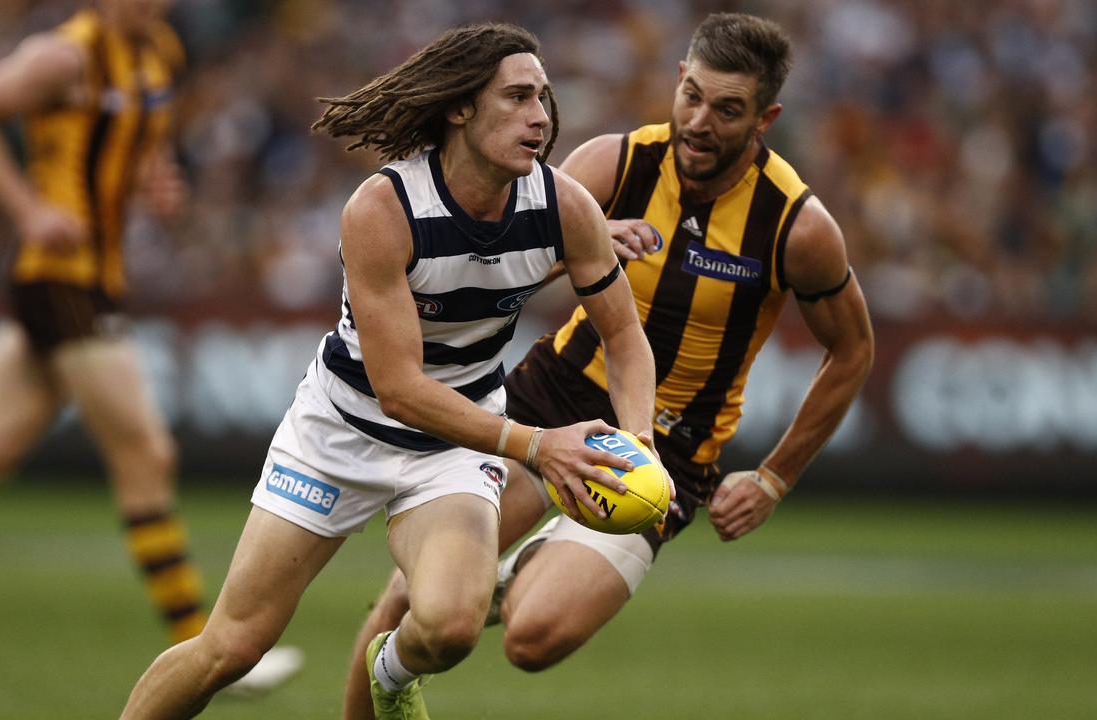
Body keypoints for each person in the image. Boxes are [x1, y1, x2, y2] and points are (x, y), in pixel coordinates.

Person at [119, 21, 659, 720]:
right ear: (460, 107)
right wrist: (537, 444)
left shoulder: (564, 207)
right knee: (233, 646)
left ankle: (391, 670)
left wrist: (639, 441)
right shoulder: (383, 208)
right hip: (338, 435)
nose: (541, 118)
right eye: (519, 97)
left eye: (545, 100)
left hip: (455, 447)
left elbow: (624, 337)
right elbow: (400, 391)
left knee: (452, 628)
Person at [343, 12, 874, 718]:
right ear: (678, 81)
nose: (700, 121)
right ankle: (415, 647)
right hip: (549, 398)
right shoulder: (614, 164)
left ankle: (493, 583)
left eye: (728, 110)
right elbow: (503, 253)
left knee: (532, 638)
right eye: (692, 96)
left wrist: (775, 477)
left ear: (765, 117)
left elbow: (854, 350)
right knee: (404, 602)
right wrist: (573, 247)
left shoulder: (796, 226)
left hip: (669, 448)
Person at [0, 0, 300, 695]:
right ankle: (201, 649)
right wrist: (26, 208)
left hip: (93, 280)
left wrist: (156, 175)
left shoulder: (159, 53)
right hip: (60, 281)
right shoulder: (64, 56)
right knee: (146, 452)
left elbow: (140, 144)